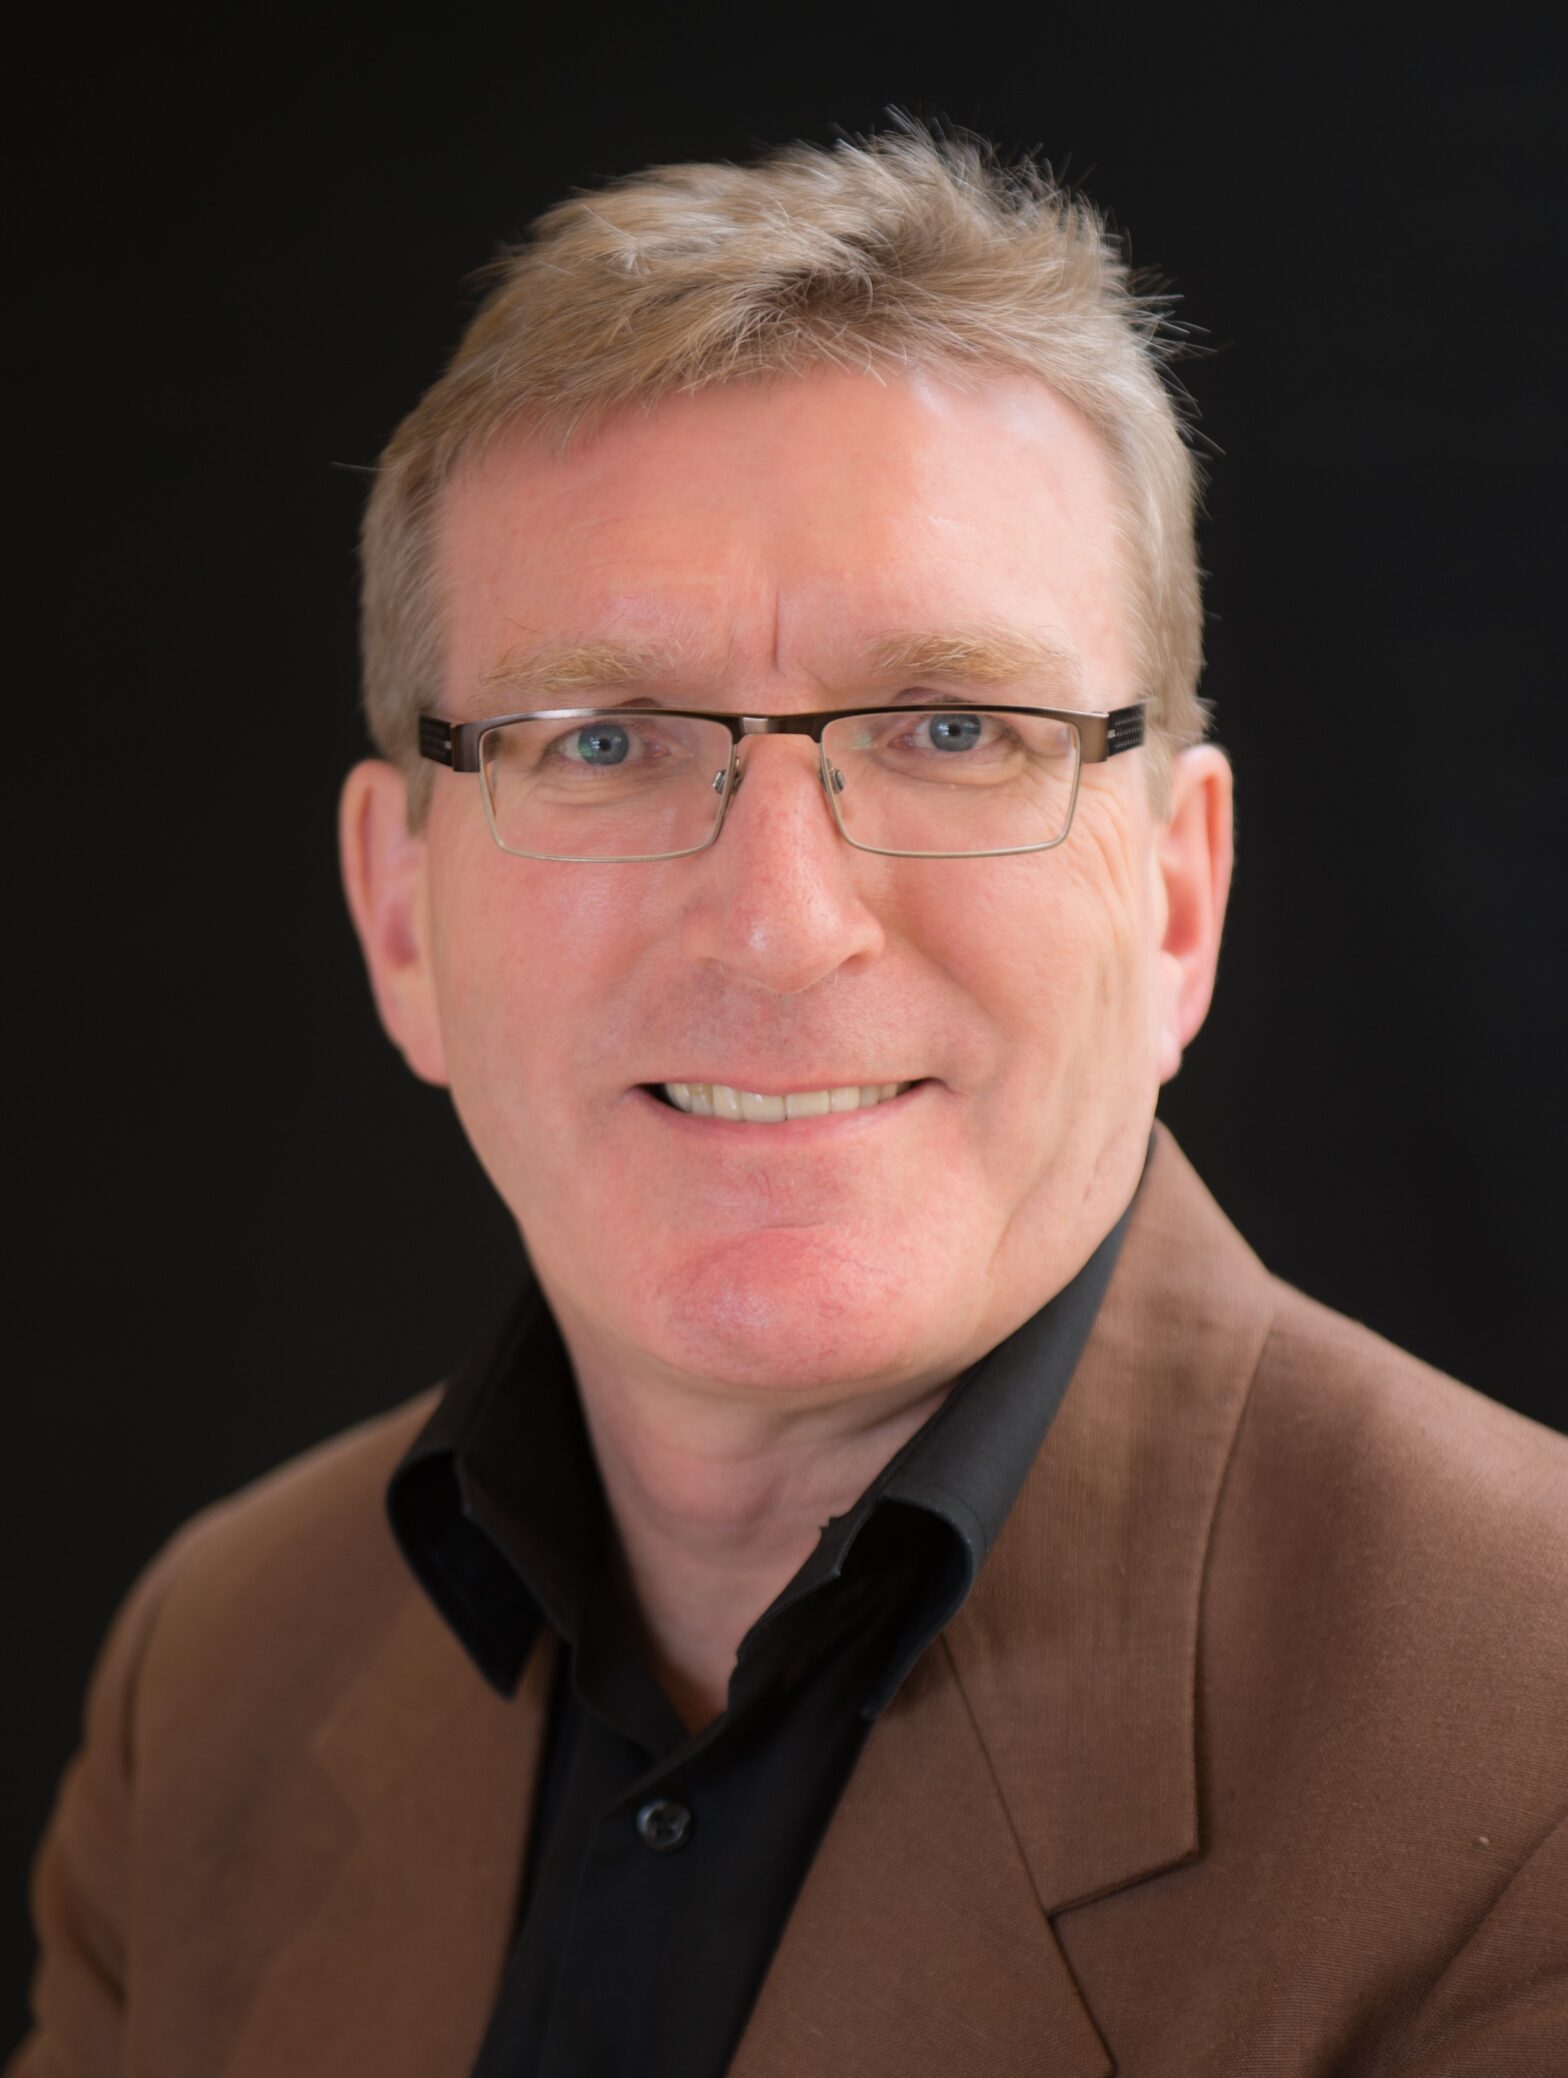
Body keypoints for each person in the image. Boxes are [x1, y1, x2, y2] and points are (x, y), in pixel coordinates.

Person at [11, 125, 1566, 2078]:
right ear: (402, 913)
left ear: (1176, 896)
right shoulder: (217, 1670)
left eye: (948, 730)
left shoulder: (1535, 1738)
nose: (777, 921)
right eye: (603, 740)